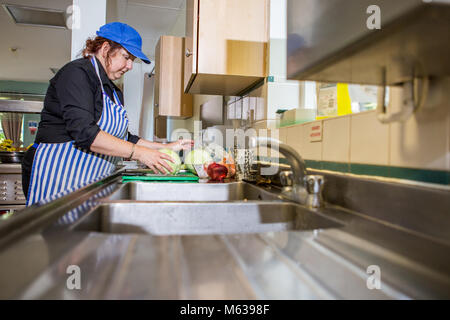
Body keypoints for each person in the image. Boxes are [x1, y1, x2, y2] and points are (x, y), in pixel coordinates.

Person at [21, 22, 192, 206]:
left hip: (89, 181)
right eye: (126, 57)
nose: (130, 66)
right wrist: (141, 154)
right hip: (58, 176)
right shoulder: (77, 74)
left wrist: (166, 147)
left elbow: (126, 138)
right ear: (105, 49)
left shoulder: (113, 90)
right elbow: (85, 133)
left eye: (132, 60)